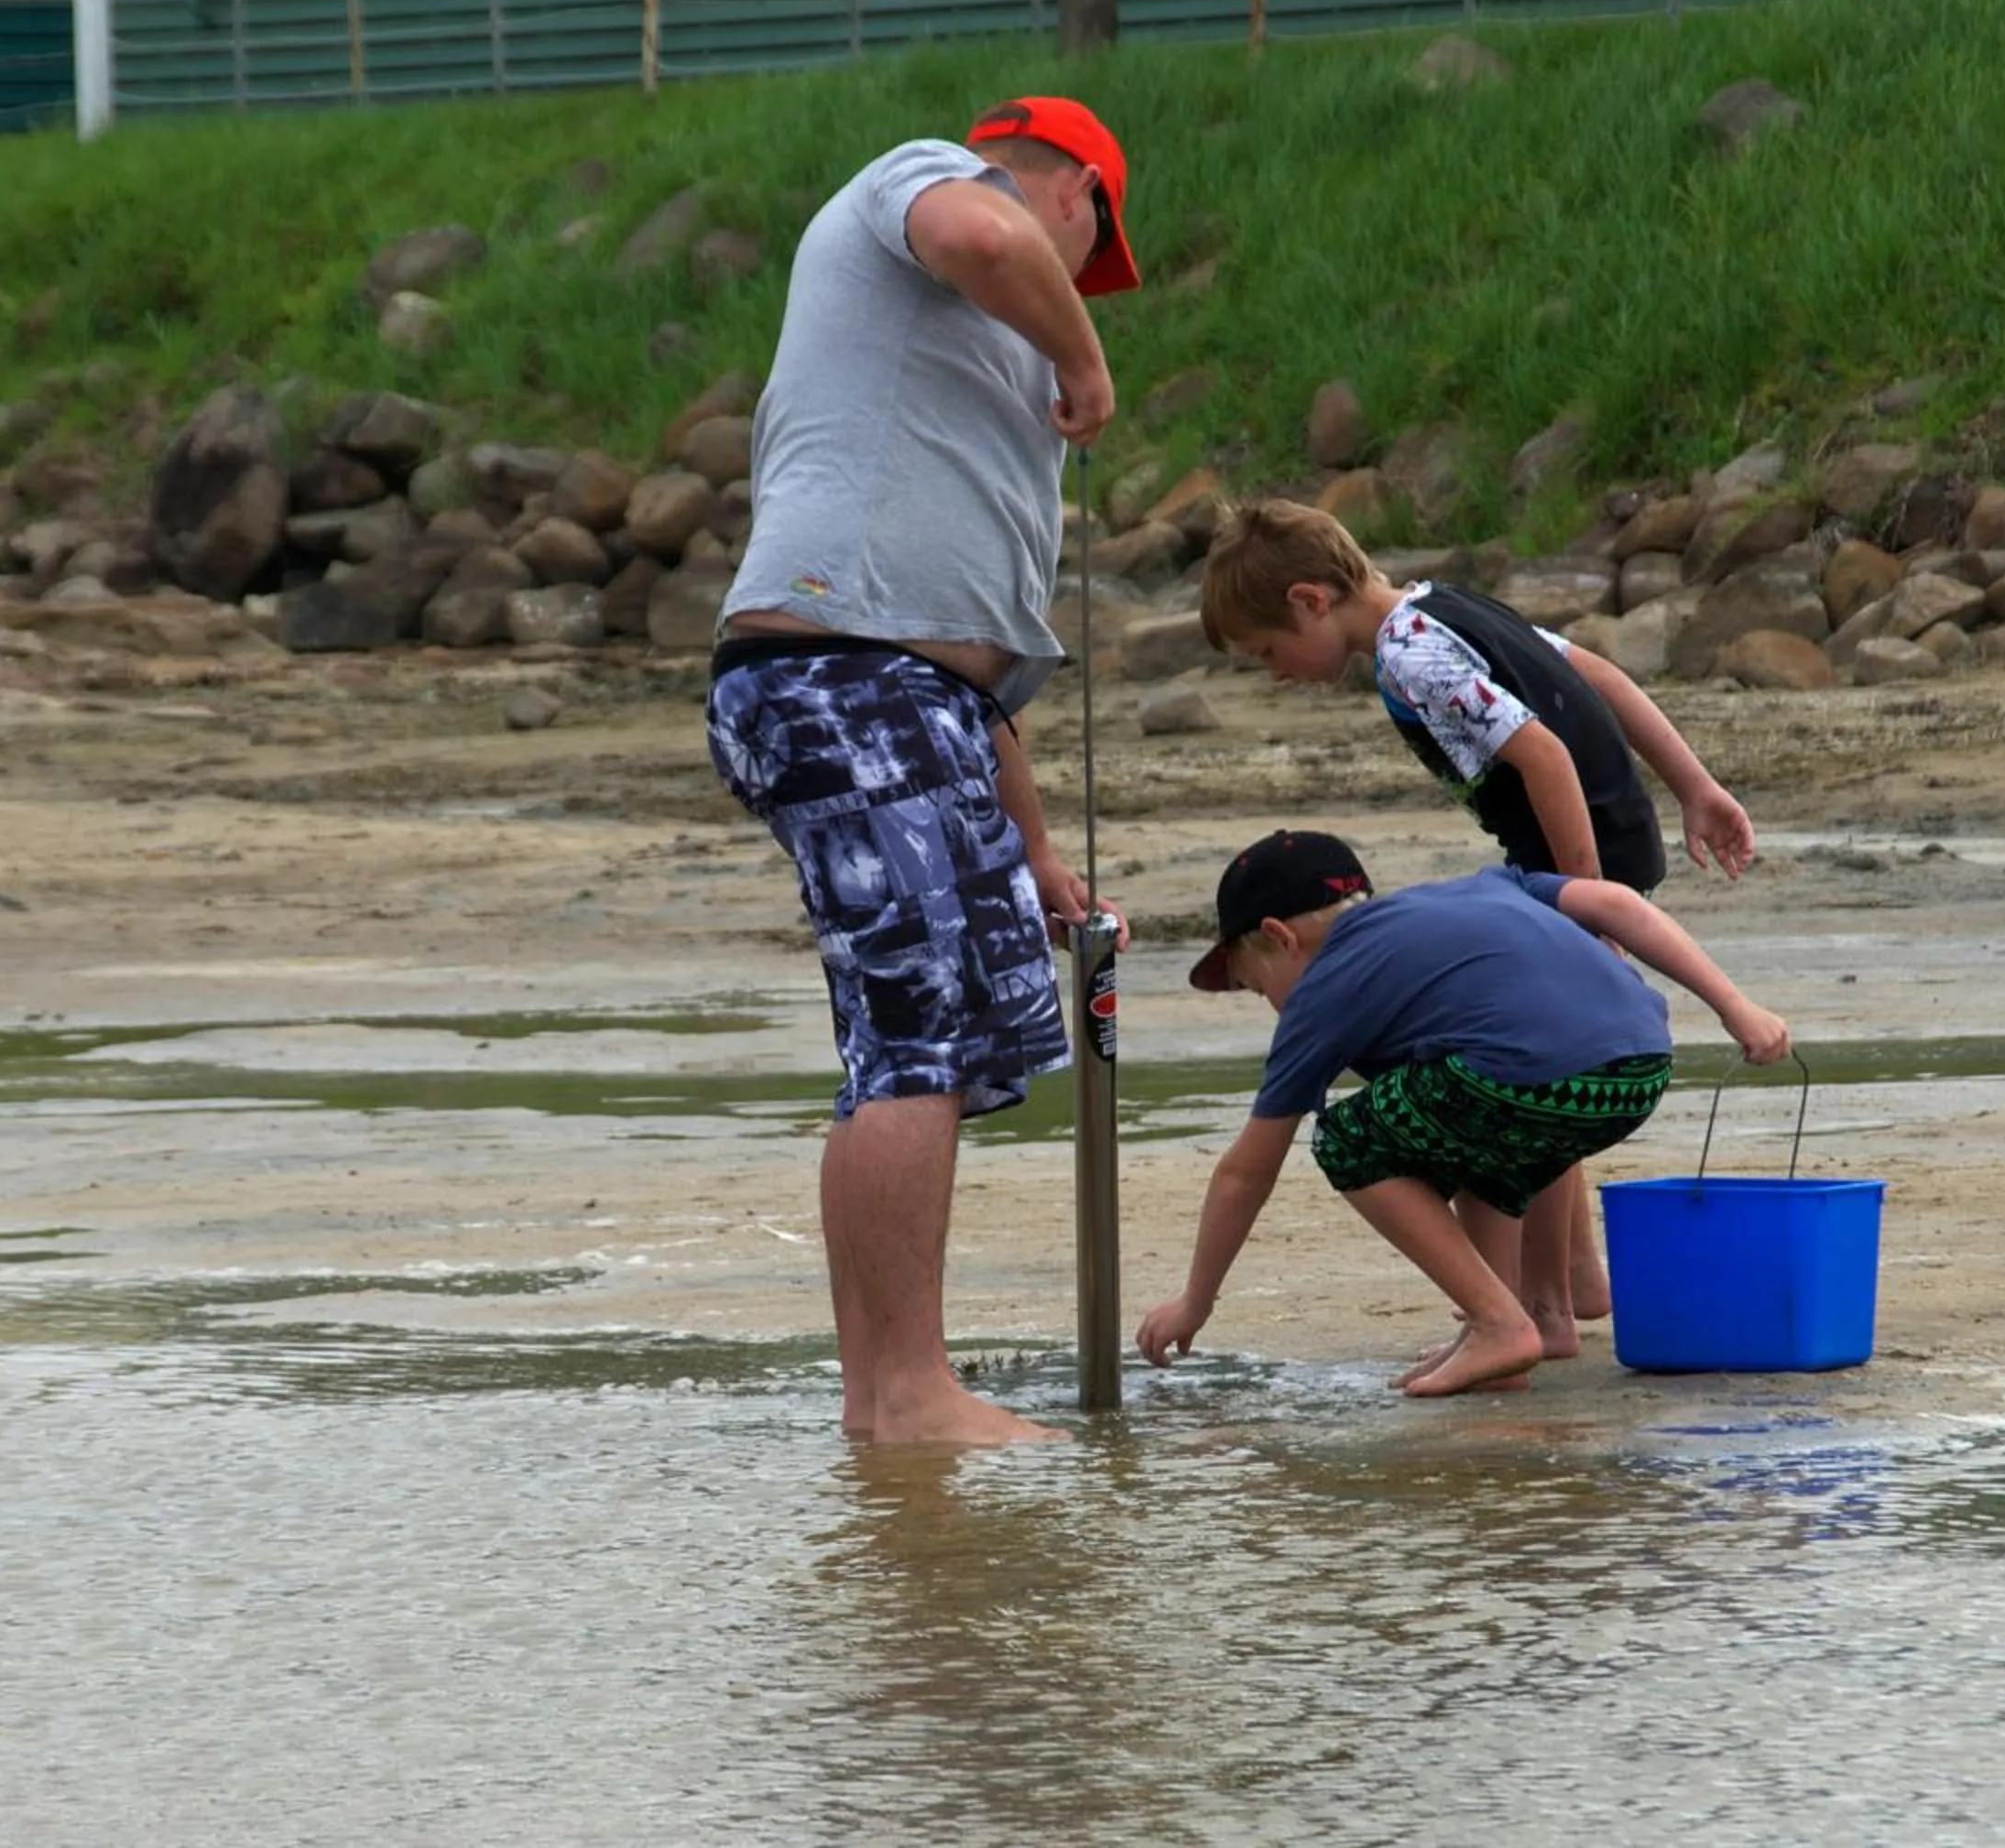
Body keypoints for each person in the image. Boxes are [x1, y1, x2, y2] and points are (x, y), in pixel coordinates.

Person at [705, 96, 1142, 1446]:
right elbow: (980, 232)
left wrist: (1038, 849)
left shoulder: (975, 360)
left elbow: (976, 665)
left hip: (922, 703)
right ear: (1073, 190)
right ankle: (902, 1395)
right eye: (1091, 256)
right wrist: (1086, 362)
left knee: (957, 1034)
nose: (1077, 286)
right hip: (834, 674)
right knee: (907, 1037)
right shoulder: (929, 184)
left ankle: (891, 1396)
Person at [1196, 498, 1758, 1353]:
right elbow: (1595, 673)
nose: (1274, 672)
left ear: (1310, 601)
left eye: (1268, 652)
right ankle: (1571, 1280)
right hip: (1603, 838)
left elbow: (1544, 755)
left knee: (1520, 1057)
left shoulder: (1406, 654)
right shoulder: (1446, 606)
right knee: (1531, 1049)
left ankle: (1547, 1305)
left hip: (1569, 852)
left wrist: (1579, 889)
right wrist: (1693, 785)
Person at [1135, 830, 1792, 1397]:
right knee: (1466, 1120)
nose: (1270, 1005)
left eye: (1255, 986)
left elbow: (1246, 1173)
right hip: (1639, 1068)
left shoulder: (1328, 984)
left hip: (1528, 1083)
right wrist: (1736, 1008)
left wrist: (1196, 1301)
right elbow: (1616, 903)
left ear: (1279, 938)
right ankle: (1527, 1322)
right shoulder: (1483, 888)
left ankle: (1499, 1325)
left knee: (1349, 1138)